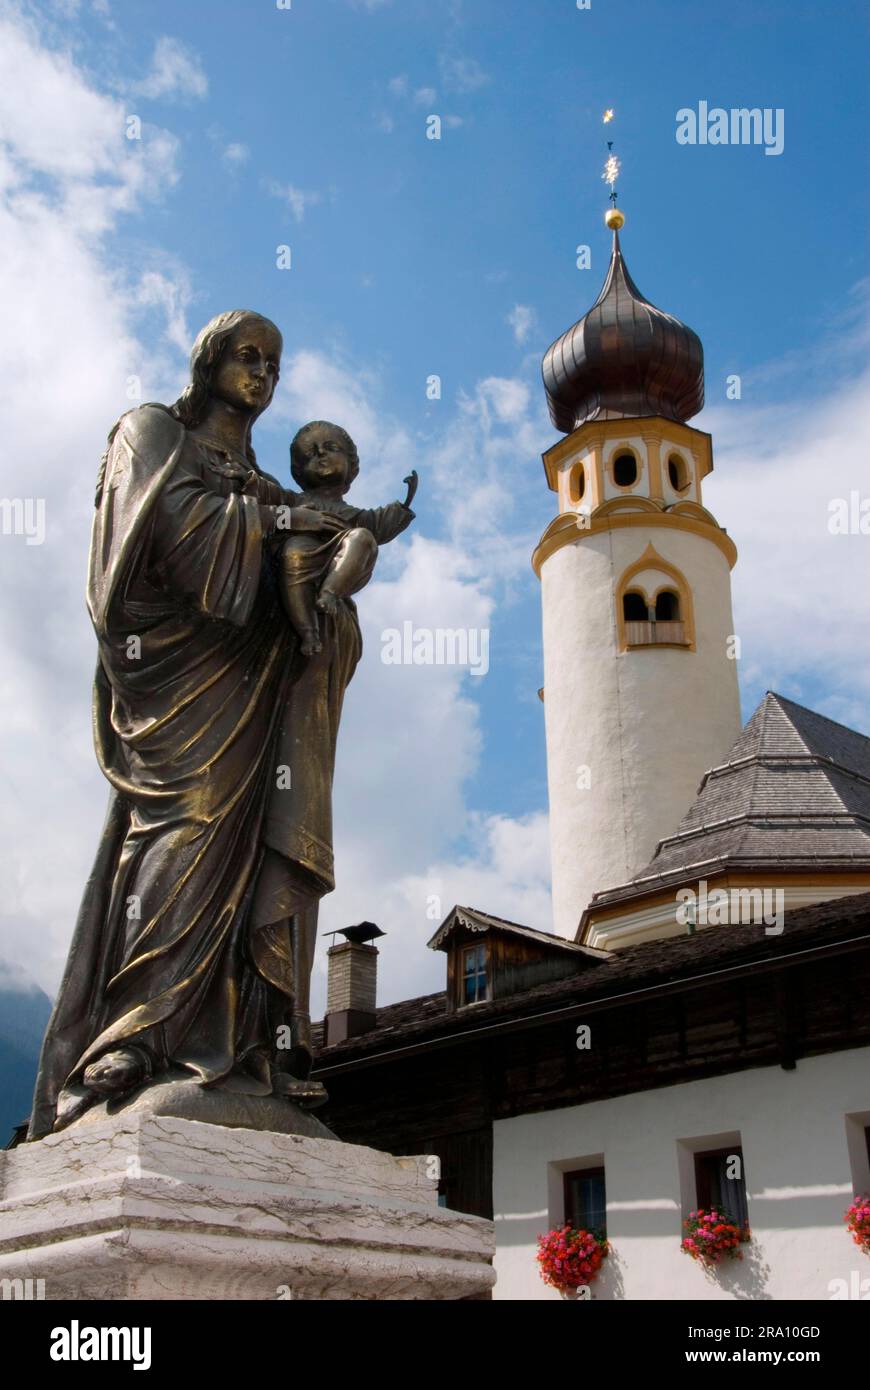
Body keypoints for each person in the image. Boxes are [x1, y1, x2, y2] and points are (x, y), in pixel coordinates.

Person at [28, 310, 355, 1137]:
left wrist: (324, 596)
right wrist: (279, 529)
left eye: (276, 365)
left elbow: (317, 586)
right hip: (178, 683)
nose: (263, 375)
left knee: (253, 852)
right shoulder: (153, 432)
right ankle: (137, 1032)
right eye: (249, 357)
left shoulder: (270, 485)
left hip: (257, 690)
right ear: (208, 362)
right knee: (186, 825)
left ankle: (252, 1045)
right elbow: (168, 540)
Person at [278, 419, 417, 655]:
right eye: (310, 454)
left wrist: (405, 502)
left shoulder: (354, 516)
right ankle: (308, 632)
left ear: (352, 466)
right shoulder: (293, 500)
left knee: (362, 537)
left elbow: (378, 525)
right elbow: (271, 508)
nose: (321, 454)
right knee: (293, 552)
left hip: (342, 563)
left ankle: (329, 593)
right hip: (302, 553)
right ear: (299, 470)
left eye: (331, 448)